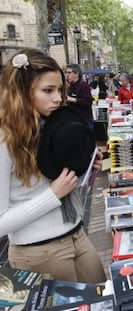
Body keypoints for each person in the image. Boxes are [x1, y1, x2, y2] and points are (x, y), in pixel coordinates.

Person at [0, 48, 106, 283]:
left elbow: (64, 187)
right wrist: (53, 194)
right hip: (38, 252)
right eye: (48, 90)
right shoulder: (5, 140)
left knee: (103, 296)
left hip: (77, 235)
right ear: (21, 92)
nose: (58, 98)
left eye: (60, 90)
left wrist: (85, 171)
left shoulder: (53, 128)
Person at [65, 64, 94, 129]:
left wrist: (72, 99)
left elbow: (88, 102)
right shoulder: (71, 86)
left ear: (77, 74)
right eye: (66, 73)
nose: (67, 75)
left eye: (69, 72)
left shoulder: (83, 85)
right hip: (74, 121)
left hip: (84, 121)